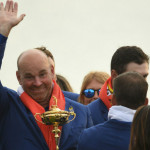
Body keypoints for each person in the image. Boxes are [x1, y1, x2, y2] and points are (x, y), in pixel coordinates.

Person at [0, 1, 93, 150]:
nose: (37, 82)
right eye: (29, 77)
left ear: (52, 71)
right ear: (18, 77)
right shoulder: (8, 106)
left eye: (42, 74)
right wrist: (2, 35)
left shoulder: (81, 112)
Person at [77, 72, 148, 150]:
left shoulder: (87, 137)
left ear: (113, 100)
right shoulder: (145, 138)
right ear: (146, 102)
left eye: (100, 91)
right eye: (89, 92)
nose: (96, 96)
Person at [88, 45, 149, 125]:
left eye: (144, 77)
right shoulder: (89, 115)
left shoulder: (147, 115)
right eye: (134, 76)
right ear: (115, 76)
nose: (141, 82)